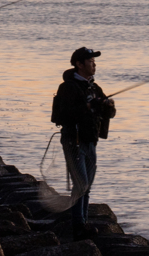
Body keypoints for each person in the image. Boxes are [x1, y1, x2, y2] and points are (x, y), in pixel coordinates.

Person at [54, 46, 116, 239]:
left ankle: (84, 222)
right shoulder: (68, 87)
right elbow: (63, 115)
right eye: (90, 61)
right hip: (73, 141)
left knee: (86, 185)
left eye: (94, 61)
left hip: (90, 141)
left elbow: (109, 114)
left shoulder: (95, 87)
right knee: (80, 183)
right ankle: (78, 225)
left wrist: (108, 107)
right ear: (79, 64)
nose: (94, 64)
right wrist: (88, 105)